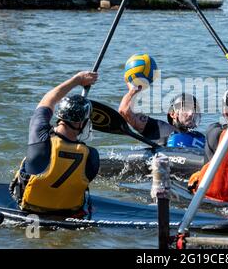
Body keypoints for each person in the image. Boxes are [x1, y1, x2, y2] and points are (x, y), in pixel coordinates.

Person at [10, 71, 100, 214]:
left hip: (29, 207)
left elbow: (48, 100)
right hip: (67, 213)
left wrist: (77, 80)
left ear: (60, 116)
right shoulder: (92, 156)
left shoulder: (39, 136)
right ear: (81, 123)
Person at [119, 83, 205, 148]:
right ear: (173, 114)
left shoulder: (200, 137)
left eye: (194, 110)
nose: (191, 114)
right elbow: (124, 111)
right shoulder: (157, 127)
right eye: (186, 109)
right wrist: (133, 91)